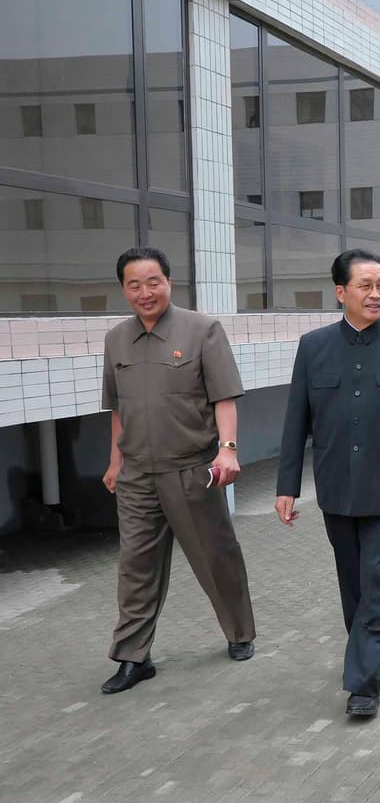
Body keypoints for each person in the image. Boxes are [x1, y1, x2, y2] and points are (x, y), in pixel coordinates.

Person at [275, 250, 380, 719]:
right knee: (351, 582)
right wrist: (286, 486)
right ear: (340, 291)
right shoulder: (314, 345)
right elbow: (295, 420)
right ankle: (372, 642)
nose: (376, 293)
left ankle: (363, 683)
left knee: (375, 577)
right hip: (336, 484)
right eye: (364, 285)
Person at [99, 247, 256, 694]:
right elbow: (117, 409)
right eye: (134, 284)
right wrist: (115, 462)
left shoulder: (202, 329)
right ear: (124, 289)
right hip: (137, 476)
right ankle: (133, 655)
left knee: (215, 557)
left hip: (191, 470)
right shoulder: (116, 339)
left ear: (169, 282)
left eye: (153, 282)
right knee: (135, 567)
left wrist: (227, 450)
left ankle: (240, 632)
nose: (145, 292)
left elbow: (223, 395)